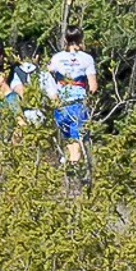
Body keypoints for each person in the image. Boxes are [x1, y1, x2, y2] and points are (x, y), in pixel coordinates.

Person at [44, 26, 97, 171]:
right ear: (81, 39)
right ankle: (75, 171)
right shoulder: (87, 59)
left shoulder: (57, 58)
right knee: (78, 141)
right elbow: (93, 86)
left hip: (61, 103)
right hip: (78, 104)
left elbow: (47, 75)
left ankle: (70, 169)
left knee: (69, 140)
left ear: (65, 39)